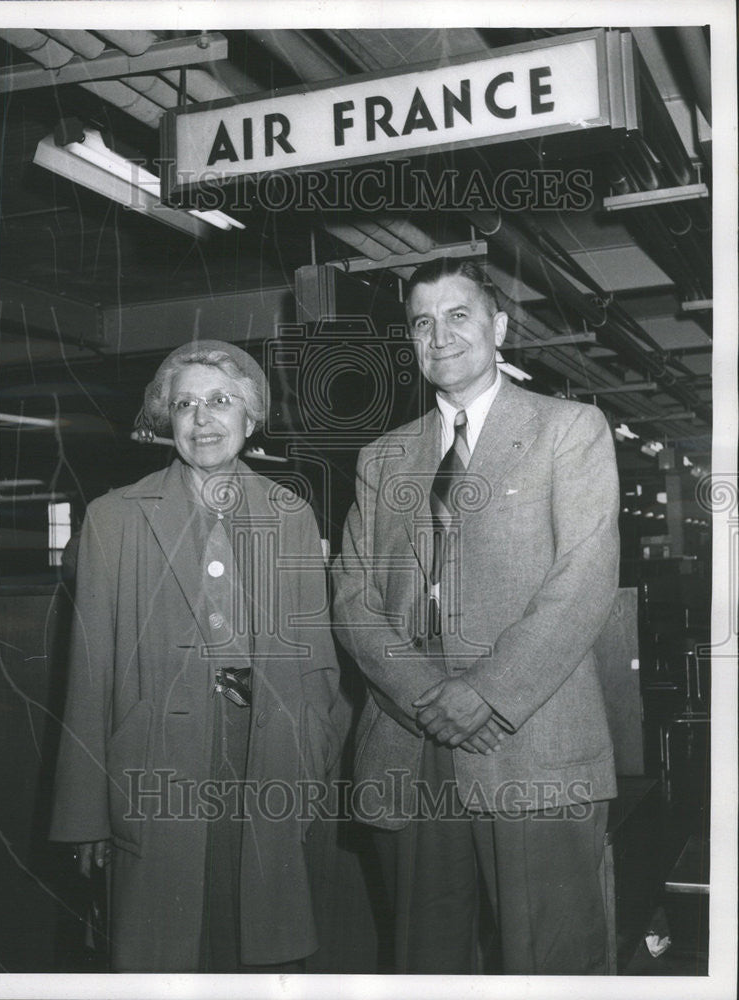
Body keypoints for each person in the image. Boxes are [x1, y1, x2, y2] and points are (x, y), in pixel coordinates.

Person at [331, 258, 620, 975]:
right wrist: (425, 696)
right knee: (424, 962)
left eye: (457, 315)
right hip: (410, 738)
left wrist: (484, 691)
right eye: (421, 323)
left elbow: (583, 579)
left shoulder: (568, 430)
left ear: (496, 326)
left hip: (531, 736)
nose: (439, 335)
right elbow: (351, 595)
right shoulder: (380, 458)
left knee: (552, 958)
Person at [50, 340, 343, 972]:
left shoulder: (290, 515)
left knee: (255, 942)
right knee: (168, 947)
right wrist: (85, 818)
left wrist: (310, 776)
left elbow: (318, 665)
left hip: (263, 754)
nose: (202, 419)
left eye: (220, 401)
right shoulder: (114, 519)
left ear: (251, 417)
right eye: (185, 404)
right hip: (153, 763)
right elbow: (88, 678)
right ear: (166, 420)